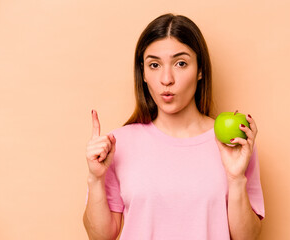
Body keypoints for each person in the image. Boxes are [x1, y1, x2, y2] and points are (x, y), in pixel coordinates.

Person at [83, 13, 265, 240]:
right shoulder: (117, 144)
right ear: (144, 74)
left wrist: (236, 179)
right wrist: (95, 178)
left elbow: (247, 238)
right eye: (154, 65)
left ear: (200, 70)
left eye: (180, 63)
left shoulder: (233, 143)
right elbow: (100, 237)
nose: (166, 79)